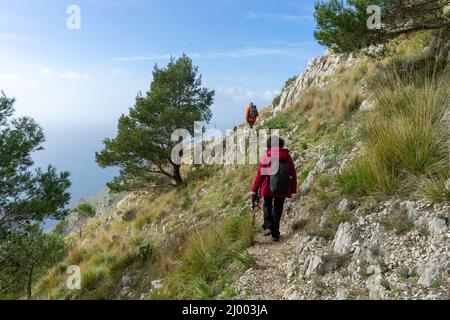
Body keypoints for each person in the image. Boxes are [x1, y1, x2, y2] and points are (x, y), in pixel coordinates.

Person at [250, 136, 297, 242]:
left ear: (269, 145)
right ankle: (275, 233)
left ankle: (267, 225)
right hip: (283, 187)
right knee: (278, 209)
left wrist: (254, 189)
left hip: (268, 187)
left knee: (267, 204)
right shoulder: (287, 156)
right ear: (281, 145)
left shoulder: (267, 155)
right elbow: (292, 173)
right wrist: (293, 188)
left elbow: (261, 173)